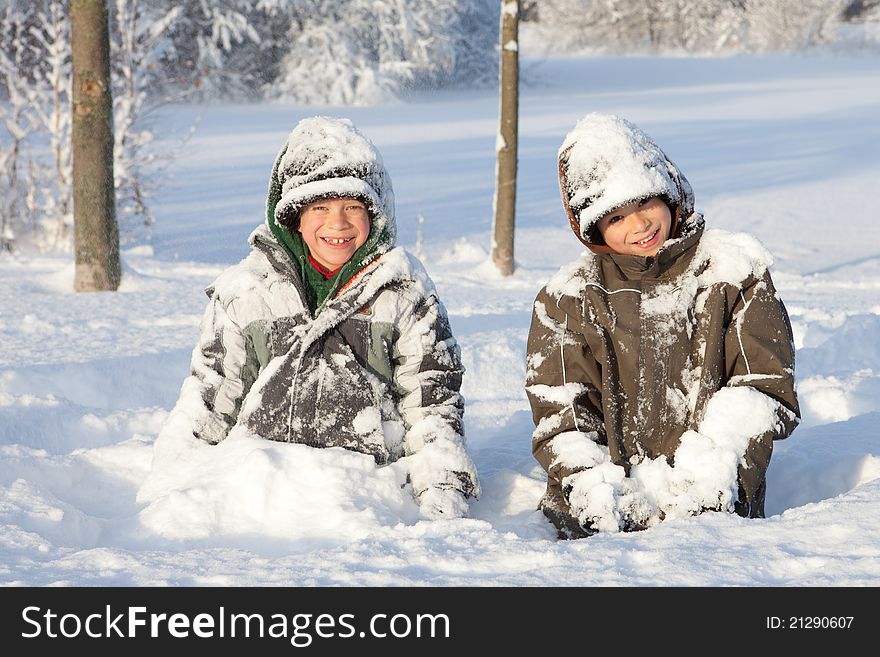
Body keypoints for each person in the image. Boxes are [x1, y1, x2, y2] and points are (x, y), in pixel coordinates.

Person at [155, 116, 479, 519]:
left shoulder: (403, 293)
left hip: (368, 496)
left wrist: (441, 496)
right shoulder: (246, 294)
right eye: (320, 207)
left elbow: (432, 406)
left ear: (375, 214)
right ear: (292, 218)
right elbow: (210, 399)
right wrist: (175, 492)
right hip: (259, 492)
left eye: (352, 207)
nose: (337, 223)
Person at [525, 113, 800, 538]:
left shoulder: (732, 270)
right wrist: (592, 488)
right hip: (601, 514)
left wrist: (711, 477)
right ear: (592, 228)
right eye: (615, 217)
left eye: (645, 203)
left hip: (715, 502)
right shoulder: (567, 298)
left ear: (669, 191)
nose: (639, 225)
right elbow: (562, 412)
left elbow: (762, 386)